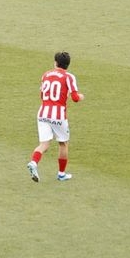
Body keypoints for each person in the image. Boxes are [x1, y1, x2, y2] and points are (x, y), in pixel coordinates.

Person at [27, 51, 85, 182]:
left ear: (55, 62)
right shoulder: (69, 77)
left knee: (44, 144)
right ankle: (61, 174)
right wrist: (80, 97)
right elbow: (75, 98)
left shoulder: (46, 75)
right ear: (67, 65)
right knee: (63, 143)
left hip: (42, 113)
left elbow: (42, 94)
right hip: (58, 116)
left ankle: (34, 162)